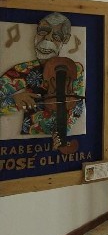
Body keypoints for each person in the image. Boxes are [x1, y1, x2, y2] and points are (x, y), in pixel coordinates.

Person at [0, 12, 85, 148]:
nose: (47, 39)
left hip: (53, 138)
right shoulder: (23, 70)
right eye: (43, 32)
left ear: (65, 39)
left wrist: (62, 131)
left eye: (56, 36)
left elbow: (77, 107)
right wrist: (13, 100)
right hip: (27, 140)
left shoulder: (75, 69)